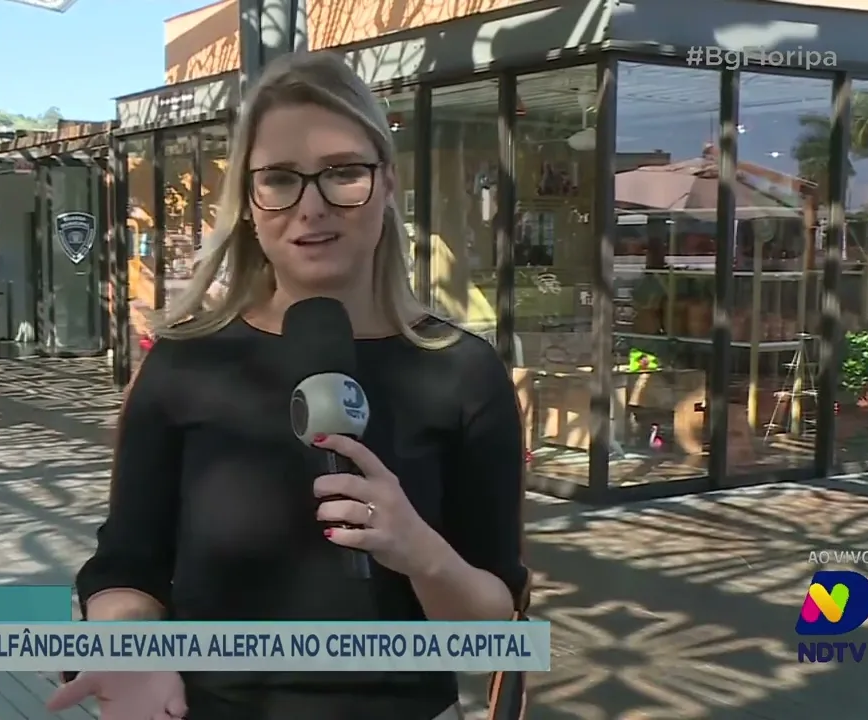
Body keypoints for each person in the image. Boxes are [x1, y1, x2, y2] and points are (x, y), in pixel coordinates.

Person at [47, 50, 528, 720]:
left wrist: (420, 552)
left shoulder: (465, 373)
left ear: (387, 183)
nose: (312, 208)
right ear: (247, 199)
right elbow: (128, 566)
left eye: (342, 173)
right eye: (279, 179)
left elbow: (489, 626)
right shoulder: (184, 364)